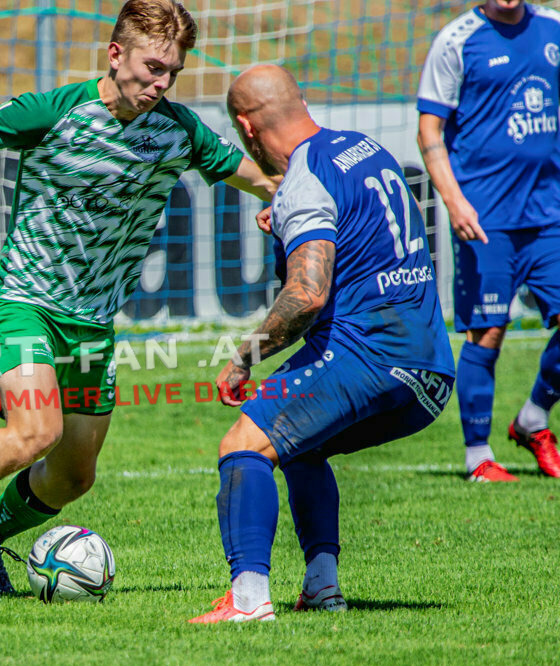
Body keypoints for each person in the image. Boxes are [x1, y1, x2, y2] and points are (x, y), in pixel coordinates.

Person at [0, 0, 278, 595]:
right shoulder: (56, 110)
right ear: (115, 54)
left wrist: (292, 201)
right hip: (19, 303)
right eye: (153, 67)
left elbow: (260, 179)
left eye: (173, 73)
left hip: (93, 324)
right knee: (35, 431)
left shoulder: (178, 131)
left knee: (74, 476)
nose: (162, 83)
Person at [189, 65, 455, 623]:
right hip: (430, 367)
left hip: (369, 354)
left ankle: (247, 600)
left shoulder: (304, 179)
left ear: (246, 127)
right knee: (299, 446)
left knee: (244, 444)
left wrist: (244, 358)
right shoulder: (365, 149)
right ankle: (321, 587)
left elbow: (307, 295)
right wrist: (288, 221)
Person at [417, 0, 560, 482]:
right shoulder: (456, 41)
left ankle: (533, 418)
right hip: (485, 217)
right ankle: (478, 457)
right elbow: (429, 128)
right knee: (488, 331)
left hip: (550, 212)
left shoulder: (553, 27)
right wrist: (454, 201)